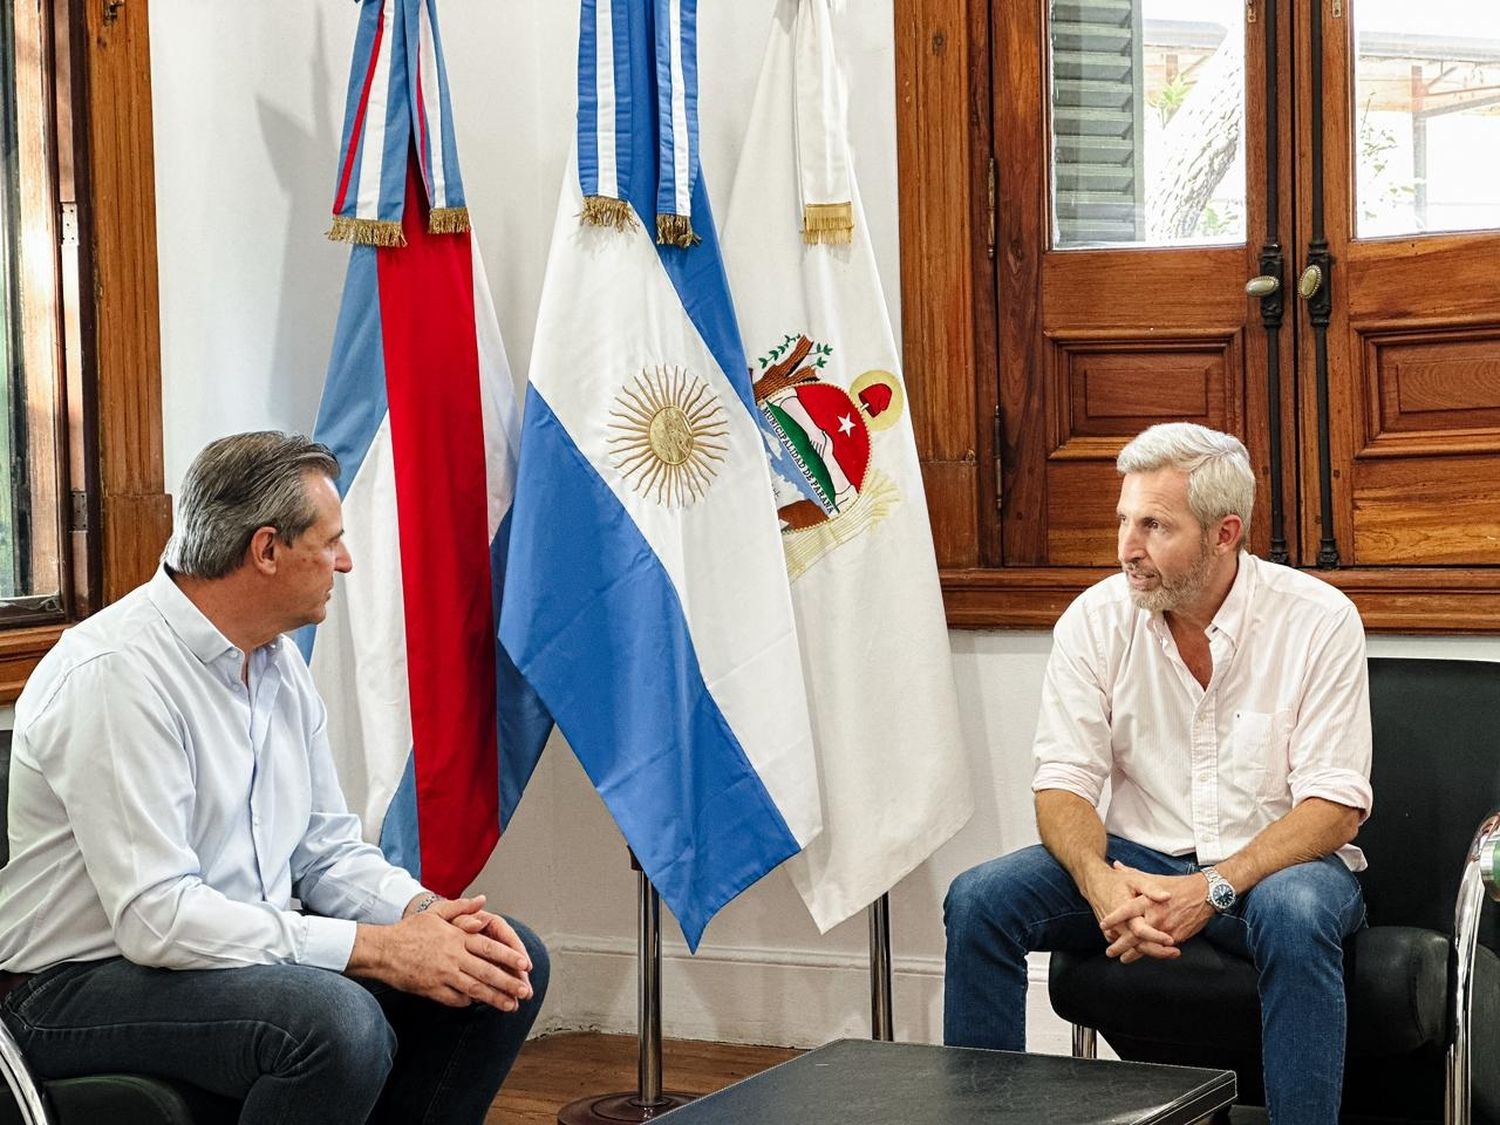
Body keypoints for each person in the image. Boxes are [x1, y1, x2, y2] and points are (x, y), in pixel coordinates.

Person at [0, 431, 548, 1124]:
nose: (345, 562)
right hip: (72, 986)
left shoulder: (278, 661)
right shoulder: (116, 676)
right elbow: (159, 920)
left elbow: (326, 852)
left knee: (501, 962)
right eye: (330, 542)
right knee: (334, 1023)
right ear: (266, 549)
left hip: (222, 957)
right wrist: (376, 949)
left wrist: (423, 916)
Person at [943, 423, 1372, 1125]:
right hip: (1138, 862)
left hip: (1274, 868)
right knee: (980, 898)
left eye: (1154, 525)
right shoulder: (1096, 619)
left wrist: (1211, 886)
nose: (1126, 548)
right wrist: (1102, 885)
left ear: (1224, 532)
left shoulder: (1318, 621)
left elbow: (1334, 807)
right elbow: (1062, 784)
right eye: (1123, 521)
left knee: (1297, 912)